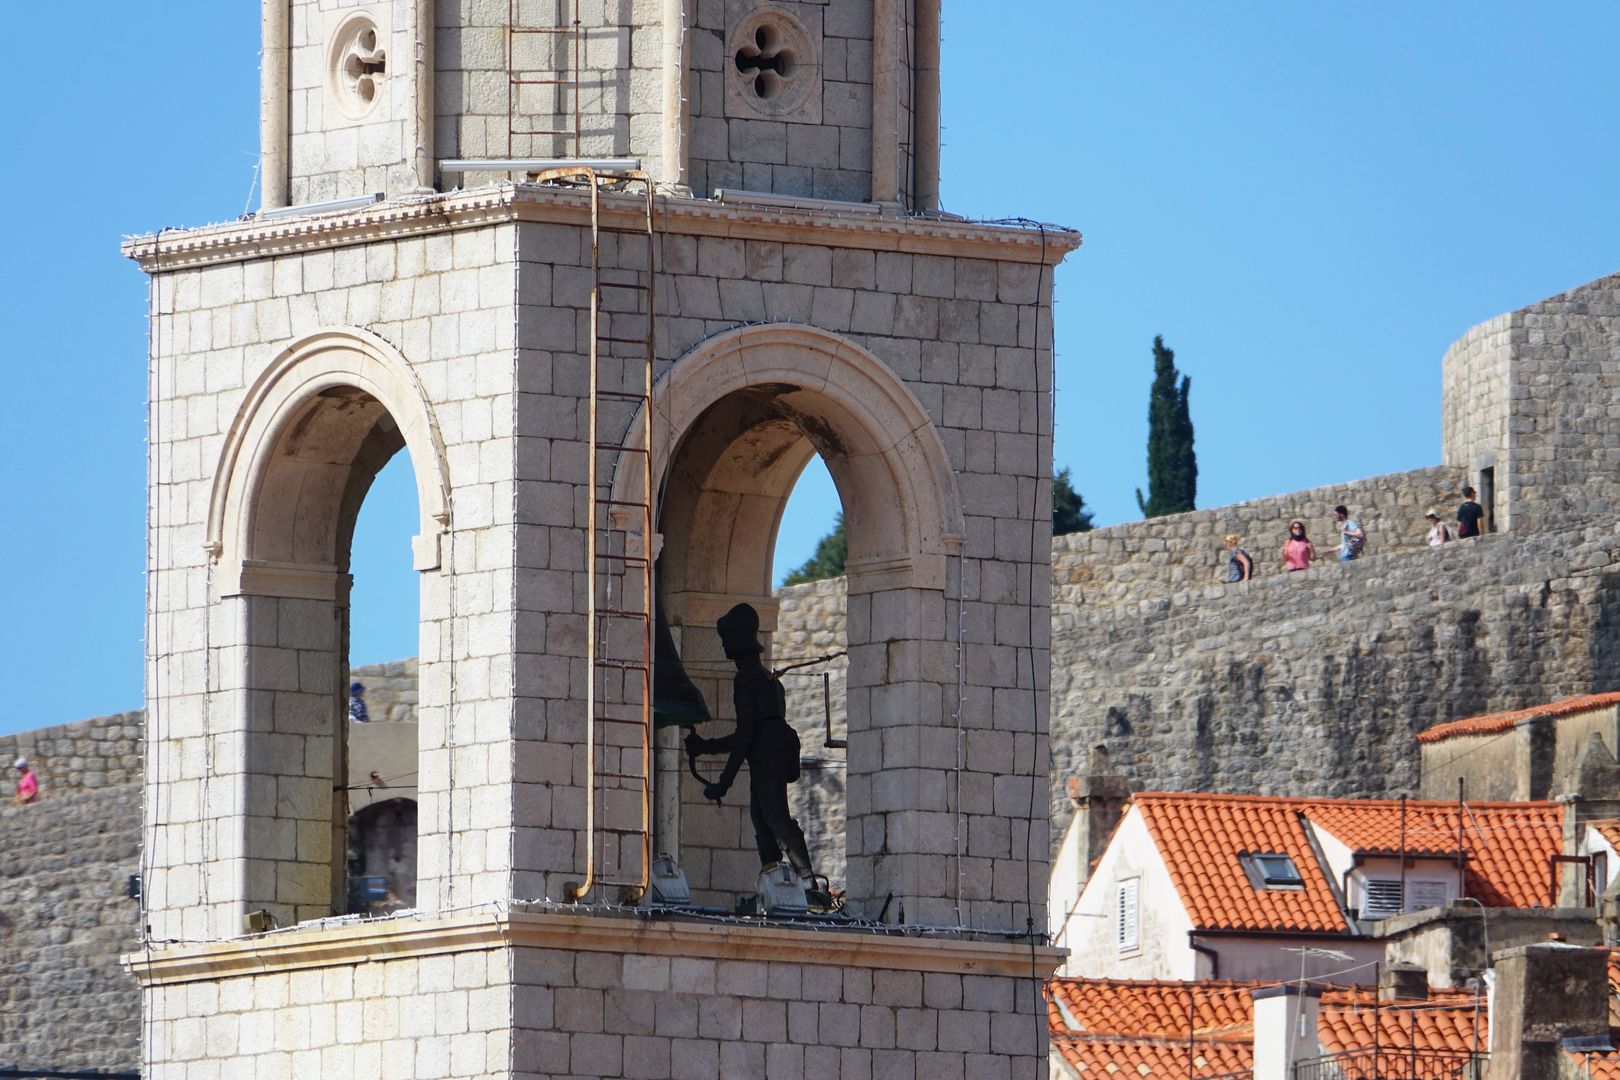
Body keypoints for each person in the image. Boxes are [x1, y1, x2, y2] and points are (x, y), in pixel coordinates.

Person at [685, 603, 814, 878]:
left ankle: (809, 882)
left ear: (737, 639)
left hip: (766, 761)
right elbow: (748, 735)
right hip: (769, 758)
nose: (723, 646)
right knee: (764, 822)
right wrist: (706, 747)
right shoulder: (769, 680)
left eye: (726, 639)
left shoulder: (746, 679)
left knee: (775, 820)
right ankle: (776, 878)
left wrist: (724, 782)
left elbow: (746, 736)